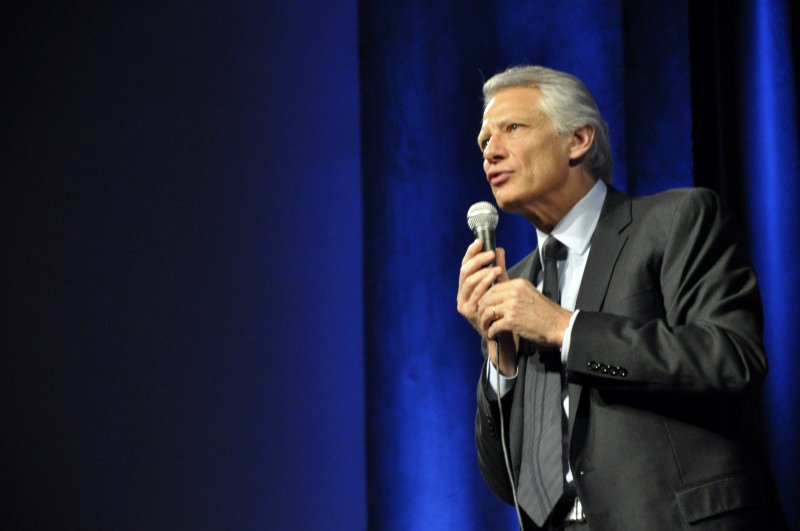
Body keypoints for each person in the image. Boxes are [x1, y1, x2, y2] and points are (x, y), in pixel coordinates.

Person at [457, 65, 785, 530]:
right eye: (484, 140)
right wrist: (501, 362)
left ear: (579, 140)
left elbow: (732, 358)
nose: (490, 150)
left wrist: (564, 328)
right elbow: (505, 480)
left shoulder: (677, 221)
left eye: (511, 128)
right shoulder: (518, 285)